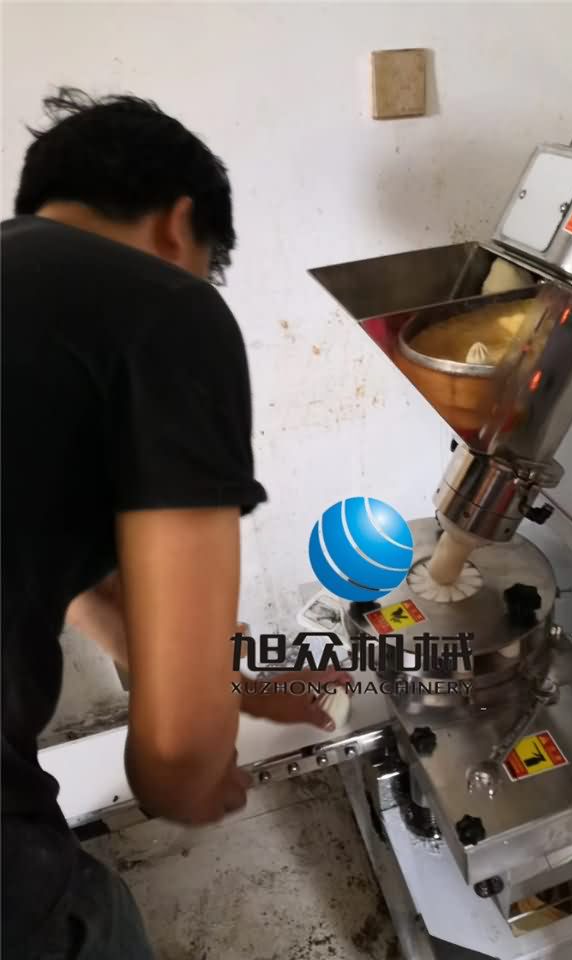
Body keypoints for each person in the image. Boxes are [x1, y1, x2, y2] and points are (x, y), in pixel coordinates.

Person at [2, 89, 345, 960]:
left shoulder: (25, 307)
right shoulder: (161, 305)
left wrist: (236, 680)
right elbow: (176, 763)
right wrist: (194, 776)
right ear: (177, 224)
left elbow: (66, 578)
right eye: (204, 266)